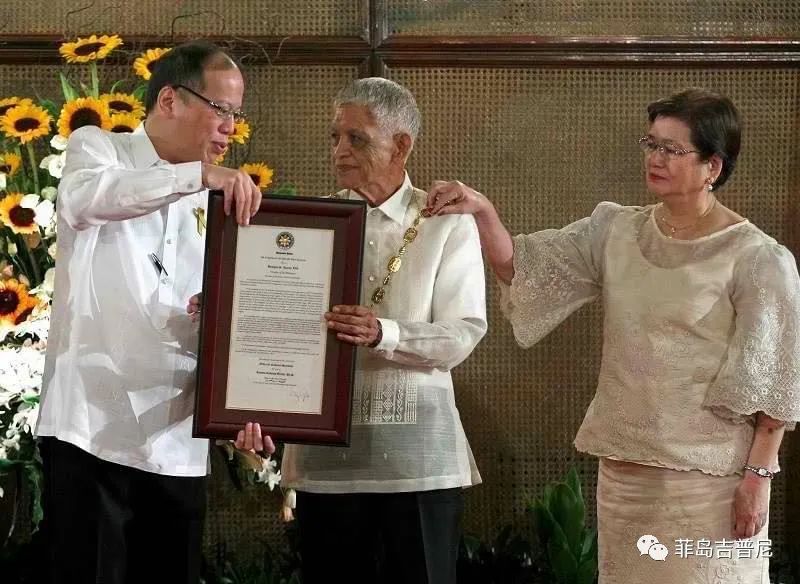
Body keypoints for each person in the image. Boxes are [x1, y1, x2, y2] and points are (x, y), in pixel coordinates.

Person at [424, 88, 800, 583]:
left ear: (713, 166)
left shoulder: (756, 256)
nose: (656, 158)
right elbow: (524, 268)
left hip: (708, 480)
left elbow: (775, 380)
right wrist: (482, 211)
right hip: (624, 475)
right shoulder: (616, 231)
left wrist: (758, 478)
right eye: (651, 144)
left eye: (672, 149)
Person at [35, 41, 274, 584]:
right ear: (169, 98)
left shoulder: (219, 199)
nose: (230, 130)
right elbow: (88, 201)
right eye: (222, 110)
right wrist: (196, 178)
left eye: (237, 115)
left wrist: (245, 400)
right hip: (92, 430)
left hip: (177, 438)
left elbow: (223, 313)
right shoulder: (99, 149)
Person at [279, 77, 487, 584]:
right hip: (325, 459)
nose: (340, 151)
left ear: (402, 144)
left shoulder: (445, 222)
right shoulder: (313, 224)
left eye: (356, 138)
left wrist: (384, 334)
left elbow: (463, 333)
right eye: (334, 137)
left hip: (418, 456)